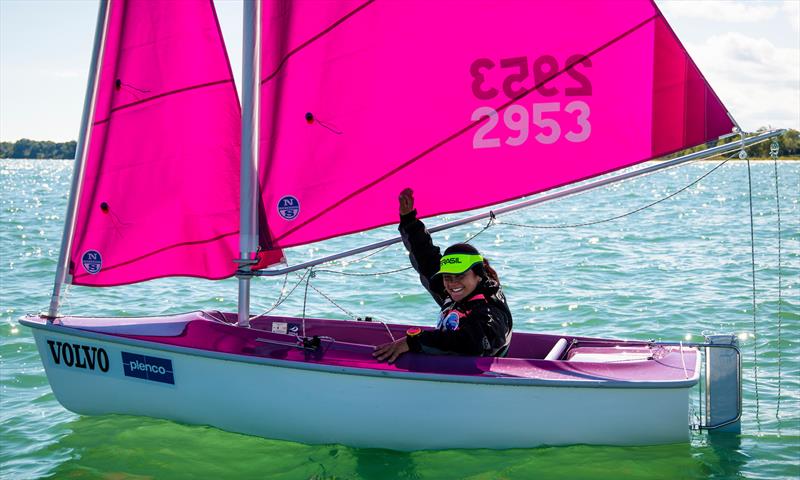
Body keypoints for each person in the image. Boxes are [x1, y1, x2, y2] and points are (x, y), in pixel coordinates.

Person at [373, 188, 513, 363]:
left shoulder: (489, 309)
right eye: (448, 277)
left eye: (460, 276)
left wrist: (414, 342)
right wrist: (408, 219)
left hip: (477, 383)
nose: (453, 283)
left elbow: (475, 343)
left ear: (478, 275)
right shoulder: (454, 290)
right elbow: (426, 258)